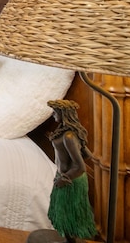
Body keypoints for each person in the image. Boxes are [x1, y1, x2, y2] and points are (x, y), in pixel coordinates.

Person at [46, 99, 97, 242]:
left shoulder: (69, 136)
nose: (53, 114)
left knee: (68, 216)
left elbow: (80, 166)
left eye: (55, 112)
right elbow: (87, 154)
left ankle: (70, 241)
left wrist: (66, 177)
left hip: (70, 179)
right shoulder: (65, 131)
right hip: (64, 176)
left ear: (64, 113)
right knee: (63, 214)